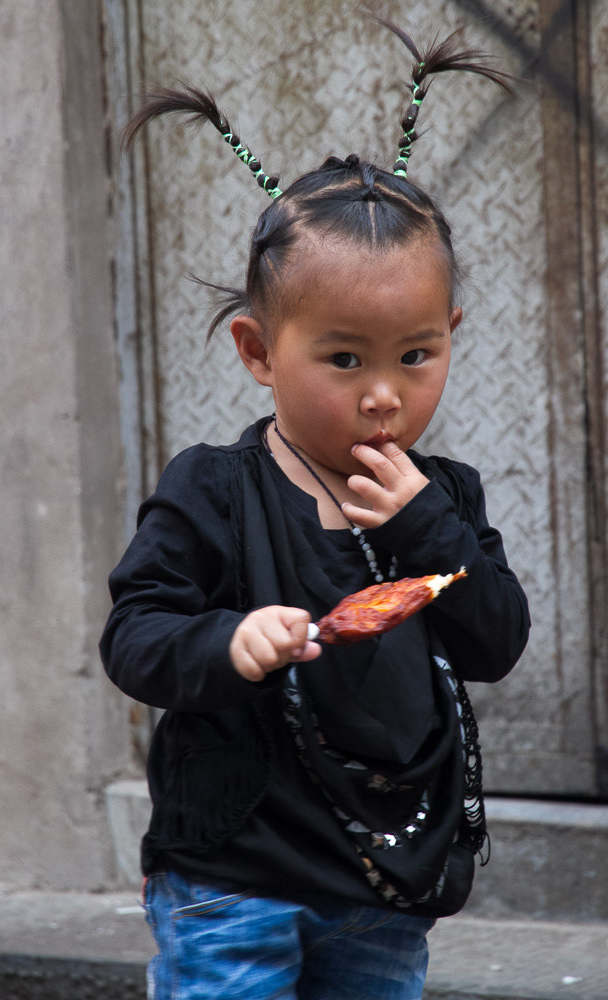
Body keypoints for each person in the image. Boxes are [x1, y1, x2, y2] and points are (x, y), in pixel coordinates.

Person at [100, 20, 529, 1000]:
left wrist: (424, 525)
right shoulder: (213, 487)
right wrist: (229, 640)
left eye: (415, 355)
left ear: (451, 334)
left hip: (384, 884)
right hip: (232, 884)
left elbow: (497, 638)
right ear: (259, 351)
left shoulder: (446, 496)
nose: (384, 394)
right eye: (345, 359)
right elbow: (135, 634)